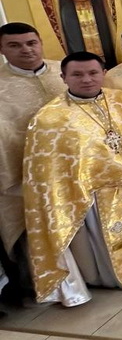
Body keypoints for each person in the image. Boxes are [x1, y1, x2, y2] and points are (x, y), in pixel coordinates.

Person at [23, 52, 122, 305]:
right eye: (77, 74)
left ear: (104, 73)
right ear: (63, 77)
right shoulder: (49, 118)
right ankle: (113, 279)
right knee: (108, 245)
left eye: (93, 73)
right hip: (93, 196)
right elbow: (48, 175)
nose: (86, 79)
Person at [0, 23, 64, 295]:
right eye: (14, 45)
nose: (26, 50)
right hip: (22, 175)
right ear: (2, 49)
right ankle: (47, 284)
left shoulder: (65, 72)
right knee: (34, 229)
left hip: (76, 168)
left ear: (40, 42)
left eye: (31, 43)